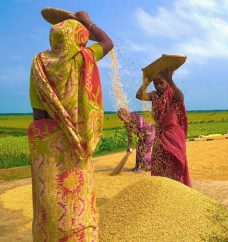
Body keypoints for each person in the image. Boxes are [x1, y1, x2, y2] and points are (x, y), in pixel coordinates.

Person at [28, 11, 113, 241]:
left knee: (50, 204)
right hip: (75, 146)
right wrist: (88, 22)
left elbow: (38, 115)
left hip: (46, 148)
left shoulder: (39, 63)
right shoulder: (83, 58)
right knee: (77, 206)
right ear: (78, 38)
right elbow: (108, 43)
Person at [136, 68, 192, 187]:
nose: (158, 86)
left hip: (173, 133)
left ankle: (178, 187)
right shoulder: (154, 95)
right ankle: (162, 189)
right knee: (159, 162)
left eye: (161, 82)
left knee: (176, 159)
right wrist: (147, 81)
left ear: (166, 82)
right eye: (155, 83)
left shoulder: (172, 93)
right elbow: (139, 95)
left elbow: (181, 97)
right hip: (160, 134)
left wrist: (171, 80)